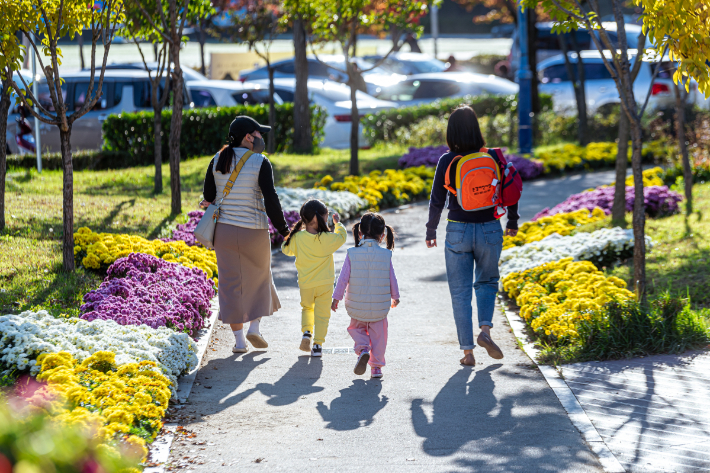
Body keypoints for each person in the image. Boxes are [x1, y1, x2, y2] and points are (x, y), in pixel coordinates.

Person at [425, 105, 520, 367]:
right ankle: (485, 332)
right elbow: (510, 191)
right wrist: (512, 221)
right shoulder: (492, 157)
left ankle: (468, 353)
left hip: (458, 230)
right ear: (477, 129)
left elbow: (436, 200)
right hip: (490, 228)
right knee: (488, 282)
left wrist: (431, 229)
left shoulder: (448, 160)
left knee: (460, 292)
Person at [200, 115, 290, 354]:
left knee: (230, 285)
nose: (261, 138)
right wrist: (284, 230)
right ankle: (255, 328)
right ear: (248, 137)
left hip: (225, 233)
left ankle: (239, 341)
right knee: (260, 279)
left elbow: (209, 194)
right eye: (259, 134)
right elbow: (271, 200)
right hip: (254, 231)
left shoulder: (217, 159)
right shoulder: (260, 162)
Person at [331, 212, 400, 379]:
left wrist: (336, 298)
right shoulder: (386, 255)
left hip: (357, 305)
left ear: (360, 233)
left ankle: (362, 349)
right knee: (379, 338)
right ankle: (376, 368)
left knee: (356, 328)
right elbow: (392, 277)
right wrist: (395, 296)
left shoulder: (352, 253)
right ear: (383, 235)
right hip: (379, 307)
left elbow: (343, 278)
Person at [281, 199, 347, 357]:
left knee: (307, 308)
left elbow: (285, 249)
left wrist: (293, 235)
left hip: (306, 284)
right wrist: (338, 224)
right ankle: (317, 345)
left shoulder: (298, 238)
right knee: (322, 314)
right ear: (324, 218)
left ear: (304, 219)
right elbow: (342, 237)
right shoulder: (327, 238)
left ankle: (306, 332)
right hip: (325, 284)